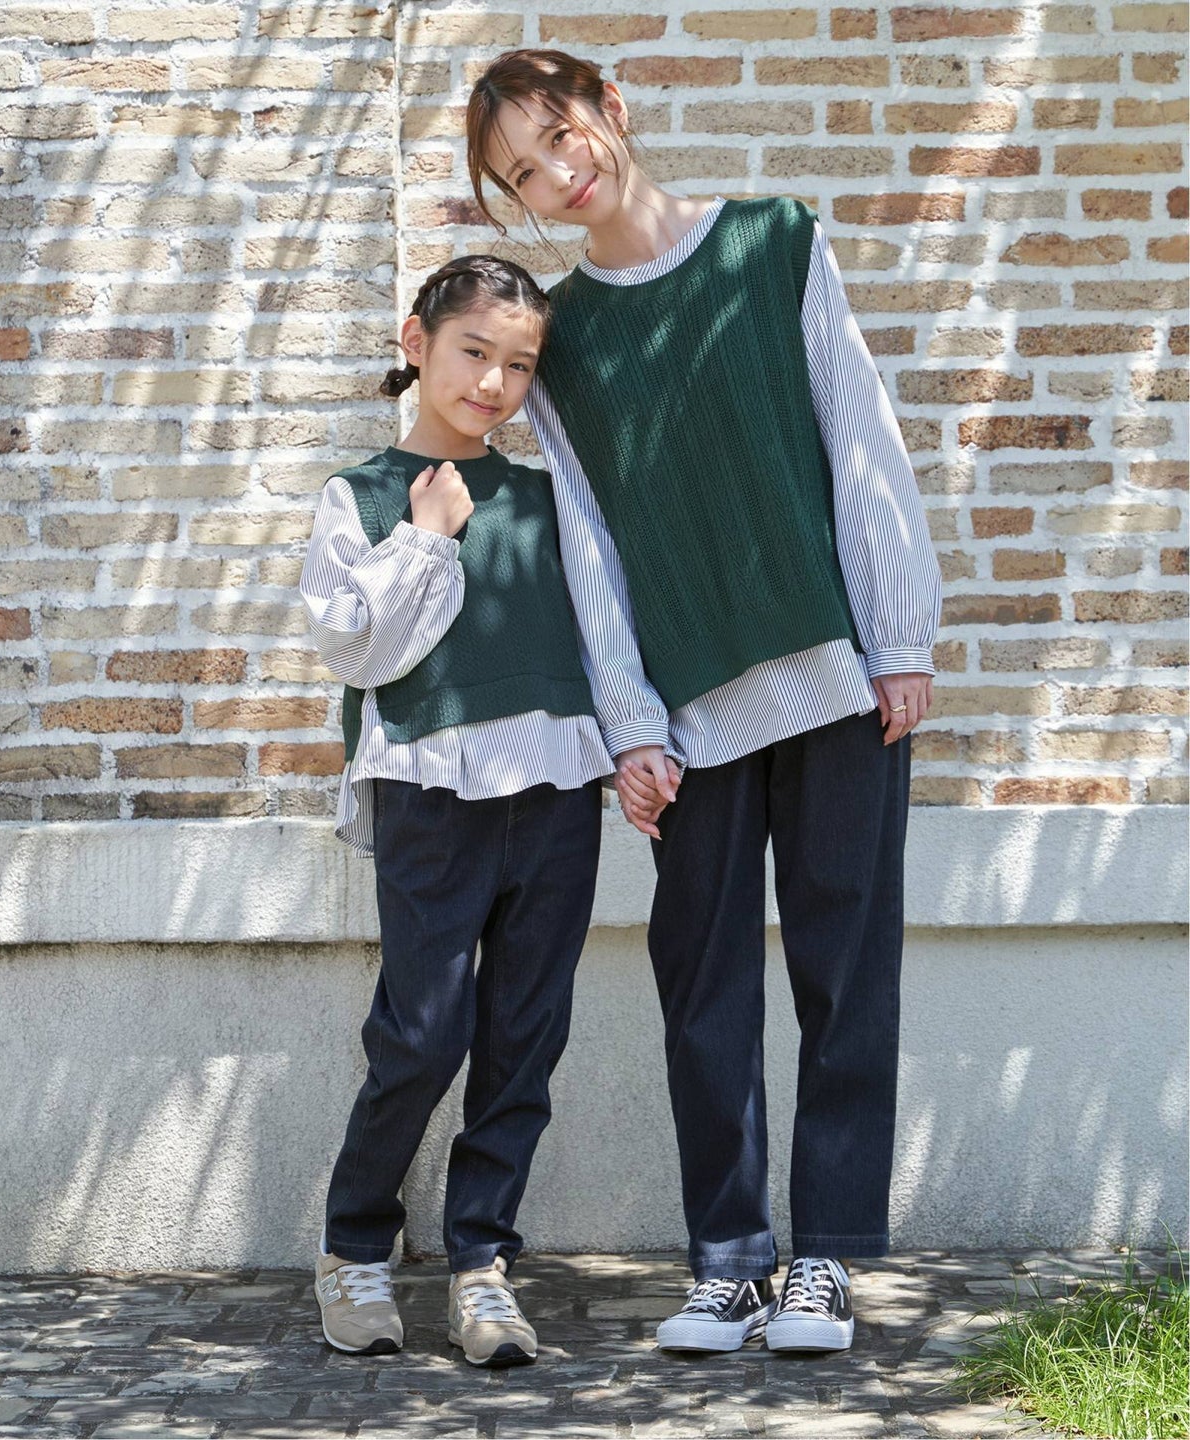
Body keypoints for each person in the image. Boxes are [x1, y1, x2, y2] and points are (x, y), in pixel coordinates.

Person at [465, 50, 943, 1355]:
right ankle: (729, 1265)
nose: (555, 175)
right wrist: (629, 726)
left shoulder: (772, 244)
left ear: (610, 110)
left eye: (560, 136)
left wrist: (899, 632)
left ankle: (826, 1262)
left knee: (847, 974)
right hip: (692, 722)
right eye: (521, 175)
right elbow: (589, 545)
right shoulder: (566, 348)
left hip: (839, 679)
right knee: (704, 986)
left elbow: (857, 428)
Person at [299, 254, 613, 1367]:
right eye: (475, 351)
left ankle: (482, 1263)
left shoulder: (549, 497)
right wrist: (427, 534)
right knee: (423, 1034)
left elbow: (604, 637)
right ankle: (353, 1245)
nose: (493, 383)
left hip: (558, 789)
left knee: (526, 1033)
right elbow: (359, 651)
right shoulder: (362, 496)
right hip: (431, 793)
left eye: (518, 365)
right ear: (417, 340)